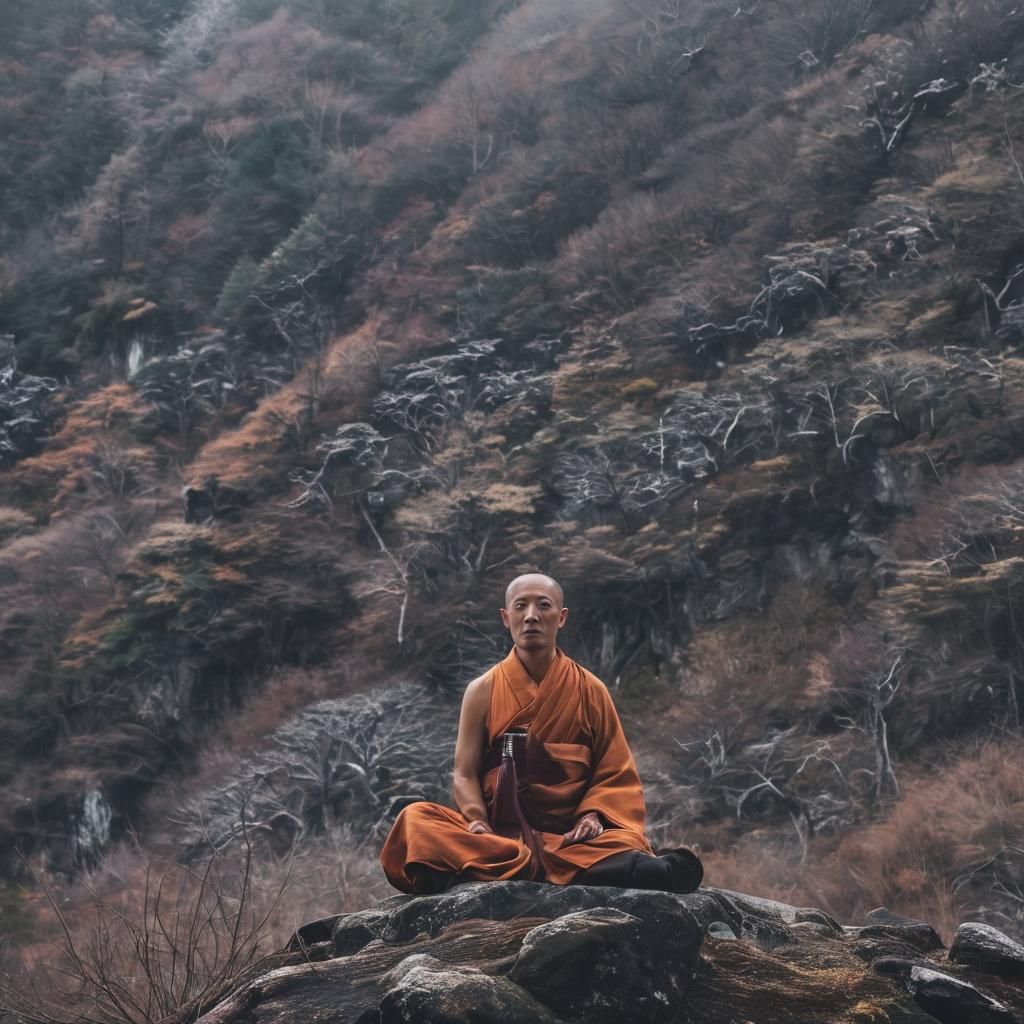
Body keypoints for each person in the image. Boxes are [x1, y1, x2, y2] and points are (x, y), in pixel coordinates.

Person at [379, 572, 703, 895]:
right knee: (415, 819)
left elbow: (615, 772)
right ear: (506, 618)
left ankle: (481, 869)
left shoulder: (591, 690)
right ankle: (613, 870)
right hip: (499, 834)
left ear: (561, 618)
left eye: (543, 605)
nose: (531, 616)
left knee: (623, 839)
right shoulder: (481, 690)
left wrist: (593, 815)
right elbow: (464, 773)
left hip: (570, 837)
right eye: (521, 606)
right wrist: (477, 821)